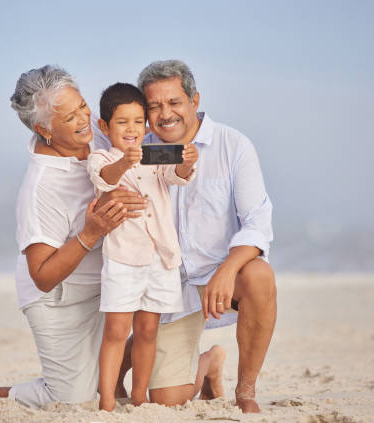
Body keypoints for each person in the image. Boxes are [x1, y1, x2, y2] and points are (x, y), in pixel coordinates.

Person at [0, 65, 134, 407]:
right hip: (59, 299)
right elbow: (43, 276)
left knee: (160, 305)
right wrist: (90, 232)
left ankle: (108, 377)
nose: (84, 119)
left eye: (82, 106)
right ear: (44, 129)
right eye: (70, 117)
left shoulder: (98, 133)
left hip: (107, 281)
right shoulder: (40, 189)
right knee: (71, 398)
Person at [116, 60, 276, 414]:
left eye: (174, 102)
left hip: (220, 276)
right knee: (167, 400)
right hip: (166, 287)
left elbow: (257, 222)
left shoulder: (233, 145)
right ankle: (209, 364)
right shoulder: (137, 150)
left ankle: (246, 391)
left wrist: (228, 269)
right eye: (154, 106)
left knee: (259, 275)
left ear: (194, 99)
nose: (165, 114)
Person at [87, 83, 198, 410]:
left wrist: (188, 161)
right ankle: (106, 401)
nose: (132, 129)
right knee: (117, 330)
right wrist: (125, 162)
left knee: (148, 329)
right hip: (123, 259)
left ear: (146, 126)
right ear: (104, 126)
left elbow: (176, 175)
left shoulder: (154, 153)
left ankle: (138, 398)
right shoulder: (102, 157)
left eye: (138, 122)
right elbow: (105, 178)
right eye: (122, 122)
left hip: (161, 259)